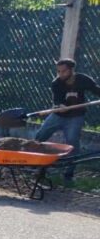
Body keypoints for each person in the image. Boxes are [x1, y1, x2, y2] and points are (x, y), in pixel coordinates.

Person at [34, 58, 99, 186]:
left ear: (71, 70)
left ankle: (68, 175)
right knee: (40, 136)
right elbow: (57, 100)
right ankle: (33, 165)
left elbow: (96, 90)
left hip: (76, 117)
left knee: (72, 145)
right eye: (58, 71)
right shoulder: (56, 83)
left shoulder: (83, 79)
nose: (60, 74)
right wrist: (61, 106)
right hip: (57, 116)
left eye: (63, 71)